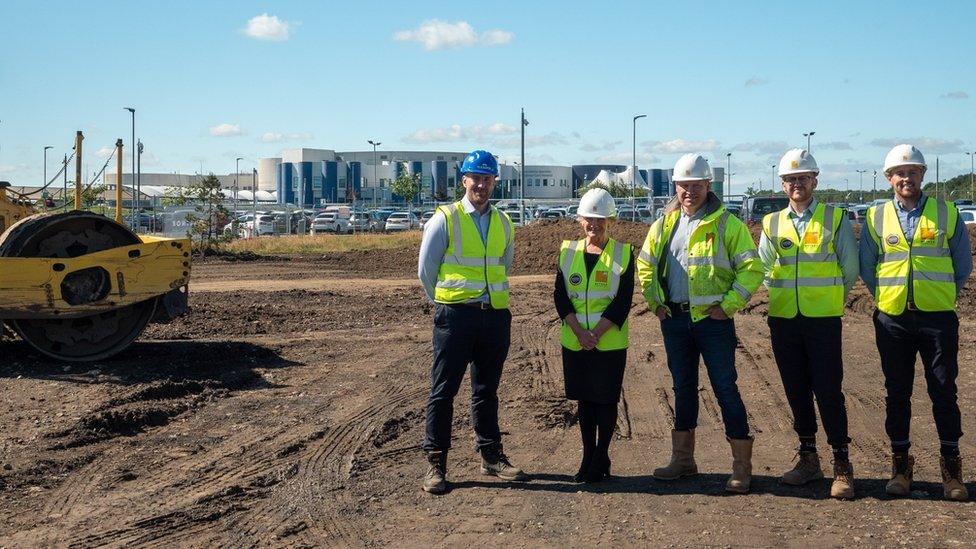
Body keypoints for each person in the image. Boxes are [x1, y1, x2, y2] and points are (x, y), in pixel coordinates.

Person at [636, 153, 763, 493]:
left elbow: (752, 269)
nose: (689, 191)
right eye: (683, 185)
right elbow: (645, 265)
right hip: (675, 319)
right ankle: (683, 460)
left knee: (725, 388)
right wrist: (656, 303)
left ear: (708, 185)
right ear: (675, 186)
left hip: (713, 322)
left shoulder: (727, 224)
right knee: (683, 388)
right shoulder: (663, 224)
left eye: (696, 185)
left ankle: (741, 467)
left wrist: (729, 305)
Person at [860, 144, 971, 501]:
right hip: (893, 319)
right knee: (897, 392)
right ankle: (900, 467)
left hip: (937, 318)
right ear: (888, 178)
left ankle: (952, 471)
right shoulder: (876, 218)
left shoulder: (947, 212)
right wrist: (888, 298)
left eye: (912, 171)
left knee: (943, 390)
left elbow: (962, 265)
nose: (906, 178)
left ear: (923, 175)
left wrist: (938, 295)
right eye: (899, 173)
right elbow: (868, 266)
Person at [417, 149, 527, 494]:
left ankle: (491, 456)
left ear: (495, 181)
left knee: (486, 391)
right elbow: (426, 270)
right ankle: (436, 464)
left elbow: (504, 266)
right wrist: (447, 303)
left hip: (493, 317)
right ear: (463, 180)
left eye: (487, 178)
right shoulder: (445, 219)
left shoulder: (504, 223)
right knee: (443, 391)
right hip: (456, 317)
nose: (481, 184)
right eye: (475, 177)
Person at [758, 149, 859, 499]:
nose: (796, 184)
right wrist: (788, 294)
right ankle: (808, 458)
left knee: (828, 391)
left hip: (823, 321)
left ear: (815, 180)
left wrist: (828, 297)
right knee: (796, 390)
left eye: (802, 178)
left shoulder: (835, 218)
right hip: (785, 320)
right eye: (790, 179)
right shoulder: (771, 223)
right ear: (783, 184)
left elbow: (849, 270)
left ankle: (842, 463)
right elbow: (766, 270)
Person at [553, 188, 634, 483]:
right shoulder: (567, 252)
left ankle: (601, 456)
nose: (594, 225)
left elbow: (622, 302)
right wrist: (580, 333)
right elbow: (561, 298)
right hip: (576, 342)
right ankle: (588, 456)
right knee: (585, 402)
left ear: (609, 221)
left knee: (605, 401)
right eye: (589, 219)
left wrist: (595, 334)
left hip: (608, 342)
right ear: (579, 220)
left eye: (600, 220)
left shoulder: (623, 254)